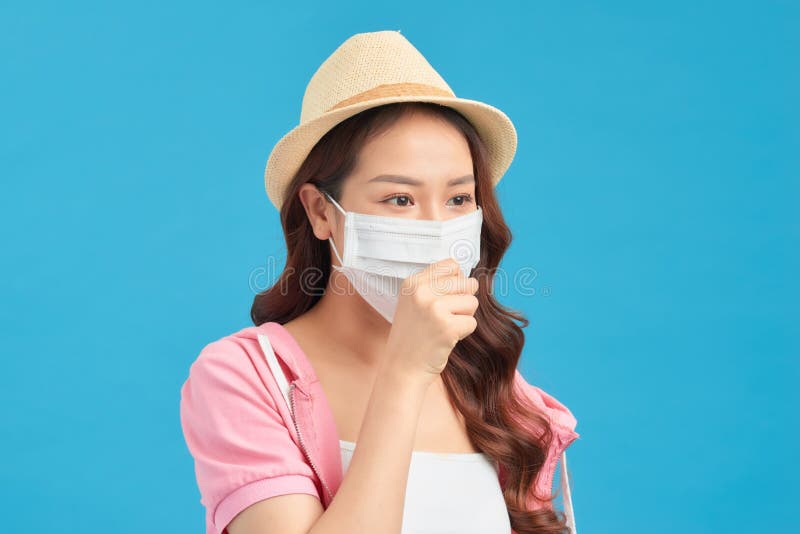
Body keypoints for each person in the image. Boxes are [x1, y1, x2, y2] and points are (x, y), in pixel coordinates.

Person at [180, 30, 580, 534]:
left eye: (458, 199)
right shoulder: (245, 378)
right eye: (400, 199)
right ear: (322, 211)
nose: (437, 227)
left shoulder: (492, 380)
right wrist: (405, 371)